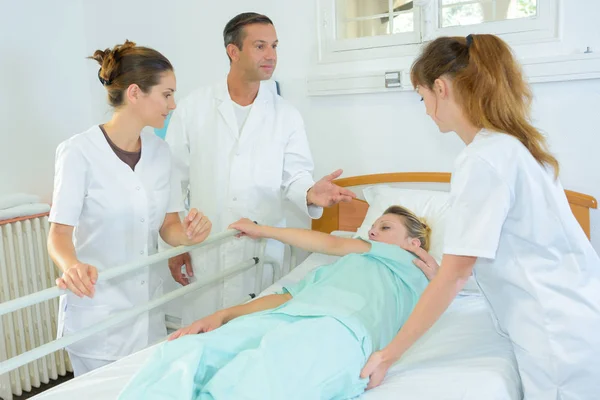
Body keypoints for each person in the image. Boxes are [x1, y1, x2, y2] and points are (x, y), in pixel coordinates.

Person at [359, 34, 600, 400]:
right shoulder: (512, 147)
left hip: (556, 332)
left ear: (440, 88)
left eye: (422, 97)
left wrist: (388, 355)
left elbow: (458, 272)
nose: (425, 109)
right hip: (571, 315)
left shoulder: (483, 159)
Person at [117, 206, 432, 399]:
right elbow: (284, 297)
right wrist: (222, 315)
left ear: (413, 244)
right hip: (285, 317)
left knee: (259, 378)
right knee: (186, 352)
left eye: (385, 228)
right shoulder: (338, 267)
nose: (372, 232)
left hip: (339, 330)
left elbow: (331, 241)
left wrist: (262, 230)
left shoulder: (413, 268)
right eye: (372, 227)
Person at [165, 12, 356, 324]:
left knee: (254, 336)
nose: (271, 56)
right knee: (201, 336)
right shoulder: (193, 108)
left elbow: (294, 177)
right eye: (260, 46)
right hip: (206, 248)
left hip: (261, 251)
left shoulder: (287, 115)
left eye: (275, 46)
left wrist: (310, 192)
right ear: (233, 51)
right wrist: (172, 246)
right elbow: (172, 182)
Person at [47, 40, 212, 376]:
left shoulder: (159, 152)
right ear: (135, 93)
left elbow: (168, 226)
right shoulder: (78, 152)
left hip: (147, 313)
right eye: (166, 94)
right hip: (99, 316)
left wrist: (190, 235)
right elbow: (59, 234)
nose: (173, 104)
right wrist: (72, 265)